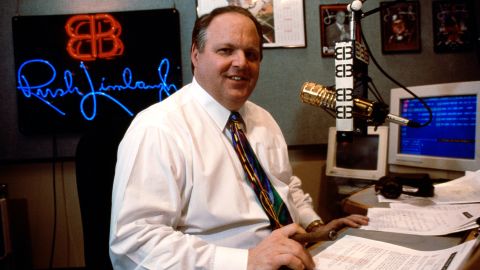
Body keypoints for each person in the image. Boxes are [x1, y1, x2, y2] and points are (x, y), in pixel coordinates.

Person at [109, 6, 368, 270]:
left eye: (251, 54)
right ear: (195, 55)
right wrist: (246, 261)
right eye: (226, 50)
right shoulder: (159, 128)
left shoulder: (263, 119)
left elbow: (286, 187)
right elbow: (133, 244)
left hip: (294, 256)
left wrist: (316, 228)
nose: (241, 62)